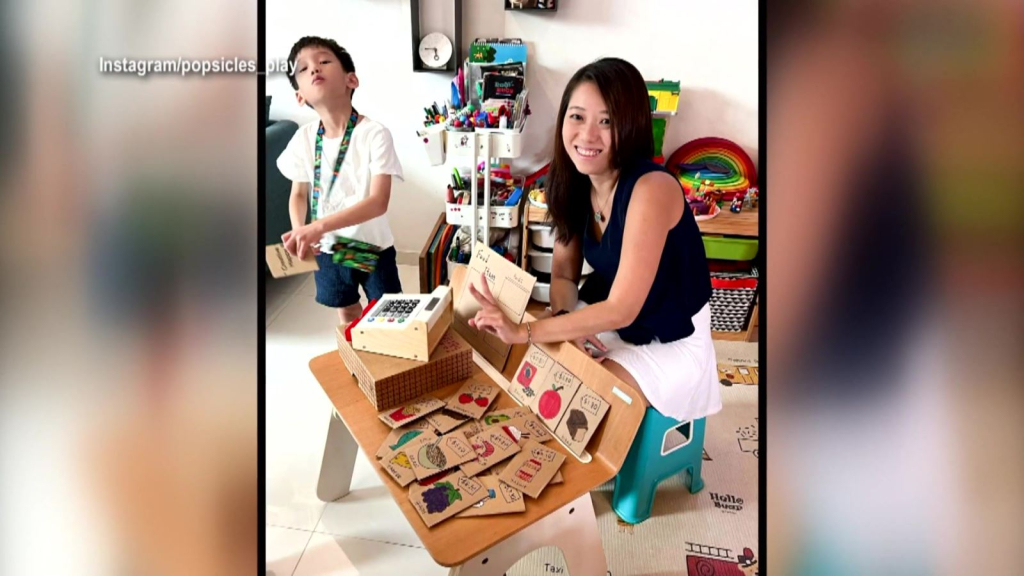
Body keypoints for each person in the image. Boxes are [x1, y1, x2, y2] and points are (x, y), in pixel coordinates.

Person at [468, 58, 721, 421]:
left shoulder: (652, 188)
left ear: (631, 125)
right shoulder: (572, 180)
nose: (587, 136)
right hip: (611, 319)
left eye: (607, 121)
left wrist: (525, 331)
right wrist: (566, 322)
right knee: (541, 373)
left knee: (584, 400)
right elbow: (563, 275)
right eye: (577, 117)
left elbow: (622, 308)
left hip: (671, 337)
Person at [277, 36, 404, 326]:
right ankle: (353, 350)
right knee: (346, 310)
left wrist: (316, 227)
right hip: (329, 249)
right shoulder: (304, 138)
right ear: (300, 96)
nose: (314, 68)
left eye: (324, 61)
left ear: (351, 80)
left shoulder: (374, 134)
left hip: (370, 247)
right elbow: (298, 194)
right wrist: (300, 231)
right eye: (303, 69)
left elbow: (378, 202)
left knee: (388, 314)